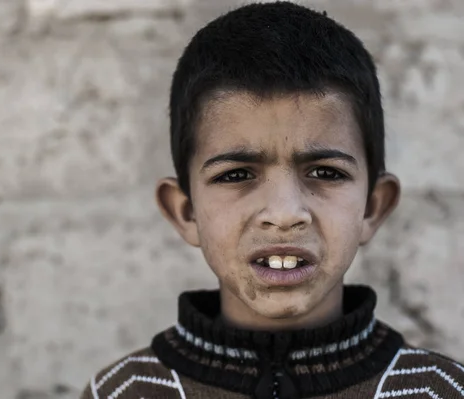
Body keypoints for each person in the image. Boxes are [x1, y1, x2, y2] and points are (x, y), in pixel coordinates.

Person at [81, 2, 464, 398]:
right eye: (236, 175)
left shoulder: (440, 390)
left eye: (326, 173)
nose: (284, 214)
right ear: (186, 211)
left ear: (372, 206)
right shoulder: (125, 392)